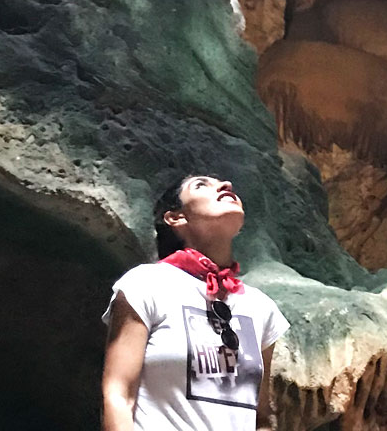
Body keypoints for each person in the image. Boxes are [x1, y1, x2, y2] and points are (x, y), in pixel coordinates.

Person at [101, 174, 289, 431]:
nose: (226, 185)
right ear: (175, 217)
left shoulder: (260, 307)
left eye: (224, 183)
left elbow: (261, 416)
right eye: (201, 185)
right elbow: (118, 395)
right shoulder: (146, 284)